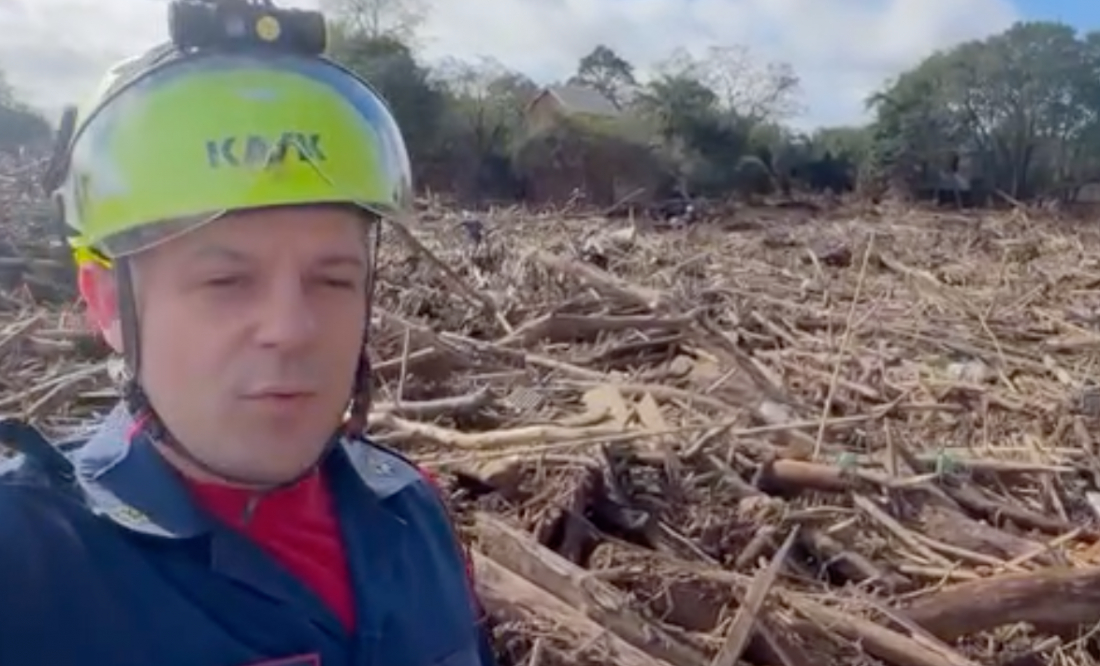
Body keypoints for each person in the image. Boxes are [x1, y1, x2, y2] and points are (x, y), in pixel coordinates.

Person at [0, 2, 497, 665]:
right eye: (226, 281)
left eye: (332, 280)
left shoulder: (415, 514)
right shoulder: (28, 561)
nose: (291, 330)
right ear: (109, 304)